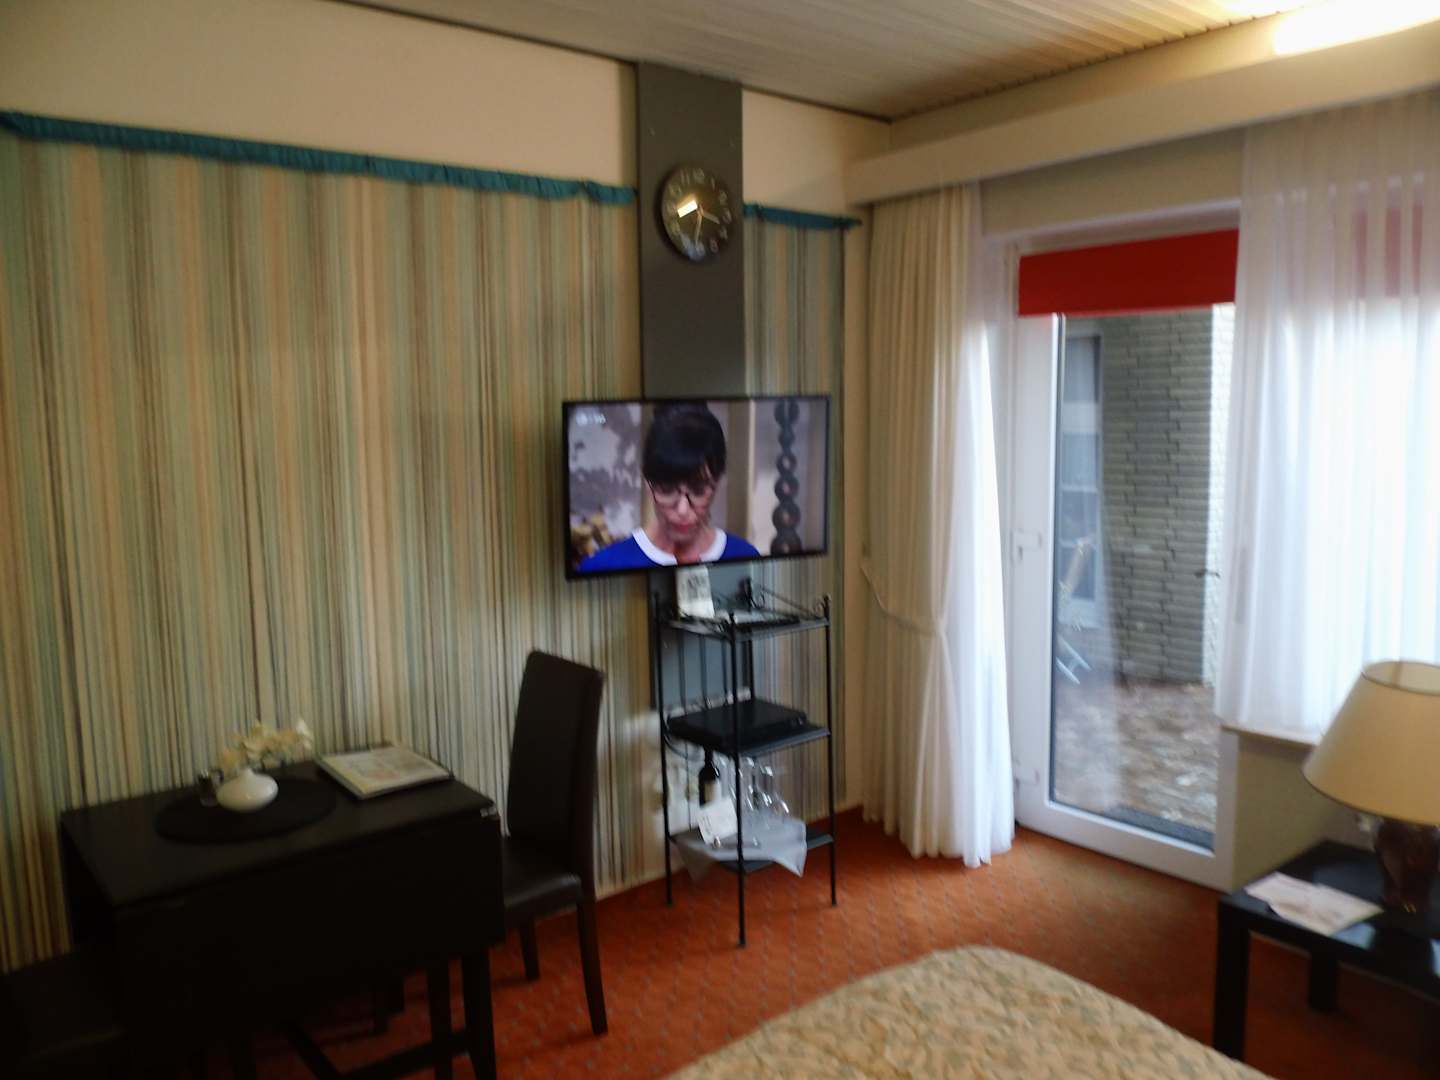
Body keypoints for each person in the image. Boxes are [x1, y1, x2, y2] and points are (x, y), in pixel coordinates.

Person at [579, 403, 760, 572]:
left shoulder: (745, 557)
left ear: (717, 483)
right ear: (647, 482)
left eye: (698, 491)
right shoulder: (602, 566)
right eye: (667, 489)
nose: (682, 510)